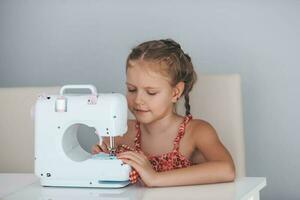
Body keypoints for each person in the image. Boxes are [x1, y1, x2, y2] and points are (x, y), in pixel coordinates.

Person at [91, 39, 235, 187]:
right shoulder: (121, 132)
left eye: (151, 92)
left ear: (175, 92)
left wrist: (155, 178)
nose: (138, 100)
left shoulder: (196, 132)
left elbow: (226, 170)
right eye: (132, 90)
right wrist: (101, 155)